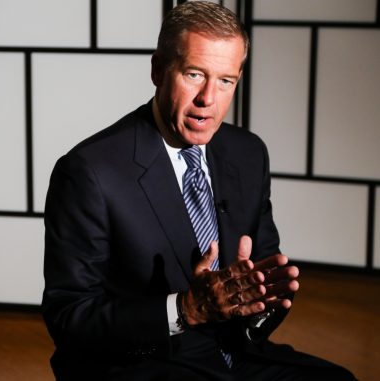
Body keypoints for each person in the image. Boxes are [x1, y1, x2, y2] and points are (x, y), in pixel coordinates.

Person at [41, 2, 356, 380]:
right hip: (144, 361)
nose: (209, 99)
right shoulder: (89, 171)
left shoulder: (248, 152)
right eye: (194, 74)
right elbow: (69, 317)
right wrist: (188, 309)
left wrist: (257, 299)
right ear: (158, 70)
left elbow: (263, 271)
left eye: (226, 81)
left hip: (235, 352)